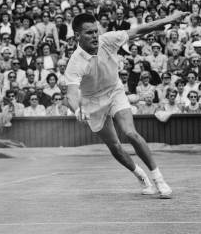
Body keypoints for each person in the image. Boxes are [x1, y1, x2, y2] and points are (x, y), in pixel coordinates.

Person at [64, 11, 189, 198]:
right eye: (89, 33)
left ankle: (159, 180)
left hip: (115, 91)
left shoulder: (108, 40)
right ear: (77, 36)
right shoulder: (75, 62)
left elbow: (141, 30)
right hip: (92, 103)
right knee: (115, 146)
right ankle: (141, 176)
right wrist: (77, 111)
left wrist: (169, 19)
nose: (95, 36)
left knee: (130, 133)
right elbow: (72, 93)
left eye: (95, 31)